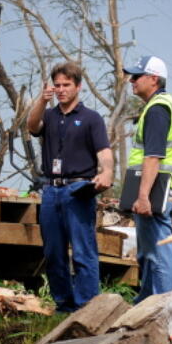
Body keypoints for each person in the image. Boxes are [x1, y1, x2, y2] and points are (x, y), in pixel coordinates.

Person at [26, 61, 114, 313]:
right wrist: (42, 101)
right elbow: (32, 127)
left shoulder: (91, 118)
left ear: (78, 87)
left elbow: (104, 151)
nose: (61, 90)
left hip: (78, 189)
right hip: (51, 190)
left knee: (83, 250)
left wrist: (106, 171)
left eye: (66, 85)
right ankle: (63, 305)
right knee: (53, 251)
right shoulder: (50, 115)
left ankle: (86, 305)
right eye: (57, 85)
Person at [123, 55, 172, 302]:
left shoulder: (158, 109)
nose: (131, 80)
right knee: (150, 253)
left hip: (154, 190)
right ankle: (146, 303)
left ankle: (166, 309)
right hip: (162, 187)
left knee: (159, 253)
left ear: (154, 79)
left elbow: (153, 156)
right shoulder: (168, 105)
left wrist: (142, 196)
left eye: (137, 76)